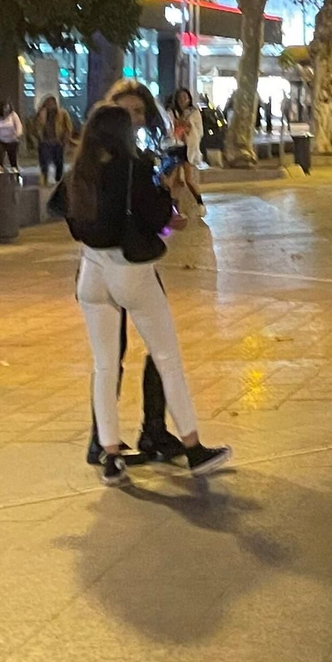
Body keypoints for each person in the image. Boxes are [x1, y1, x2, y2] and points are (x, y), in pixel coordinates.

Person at [65, 103, 231, 485]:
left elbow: (70, 217)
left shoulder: (80, 172)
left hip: (91, 273)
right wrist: (169, 197)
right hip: (131, 272)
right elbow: (160, 218)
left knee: (104, 366)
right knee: (166, 356)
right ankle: (193, 446)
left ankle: (110, 456)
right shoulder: (133, 170)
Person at [74, 77, 182, 467]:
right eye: (125, 112)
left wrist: (168, 215)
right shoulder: (97, 161)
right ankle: (102, 439)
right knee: (110, 356)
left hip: (136, 265)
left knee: (158, 348)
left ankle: (154, 429)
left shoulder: (143, 159)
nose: (133, 118)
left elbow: (154, 218)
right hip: (107, 269)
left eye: (139, 111)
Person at [164, 88, 206, 216]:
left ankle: (200, 204)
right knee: (173, 180)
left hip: (187, 149)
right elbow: (167, 128)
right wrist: (175, 126)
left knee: (189, 179)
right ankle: (176, 210)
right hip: (173, 148)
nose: (183, 100)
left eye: (185, 97)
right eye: (180, 98)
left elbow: (199, 131)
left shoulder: (194, 112)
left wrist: (189, 128)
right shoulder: (171, 112)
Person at [33, 96, 74, 186]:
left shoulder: (62, 113)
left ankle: (58, 180)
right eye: (49, 103)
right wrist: (40, 114)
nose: (51, 105)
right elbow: (36, 126)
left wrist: (65, 139)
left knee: (59, 162)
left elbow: (68, 127)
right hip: (45, 142)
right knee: (44, 162)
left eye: (53, 103)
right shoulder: (42, 114)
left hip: (57, 142)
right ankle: (45, 180)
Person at [0, 100, 23, 170]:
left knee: (13, 160)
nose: (6, 110)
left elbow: (19, 126)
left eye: (7, 107)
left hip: (12, 141)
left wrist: (17, 134)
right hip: (1, 141)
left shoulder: (13, 115)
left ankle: (16, 175)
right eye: (4, 107)